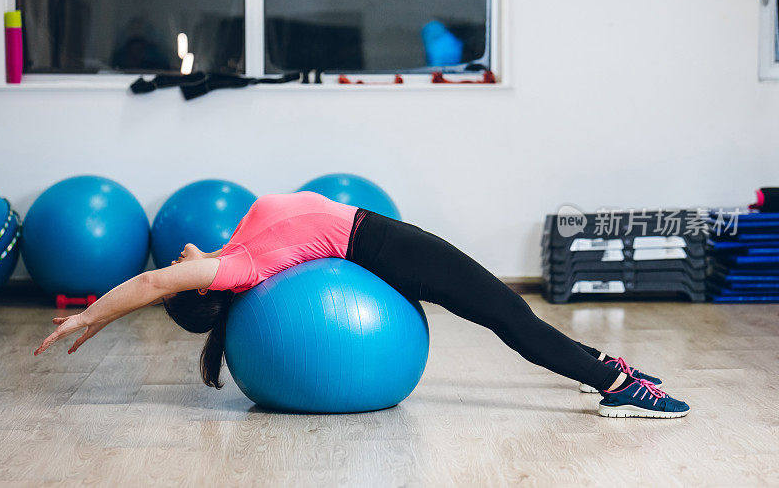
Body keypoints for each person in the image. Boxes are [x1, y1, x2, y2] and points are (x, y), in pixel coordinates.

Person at [35, 192, 689, 419]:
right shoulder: (239, 267)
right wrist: (92, 313)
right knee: (509, 317)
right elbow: (152, 284)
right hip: (388, 246)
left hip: (382, 243)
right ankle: (616, 384)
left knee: (508, 315)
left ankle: (600, 364)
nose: (174, 259)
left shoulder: (238, 249)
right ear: (203, 289)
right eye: (184, 272)